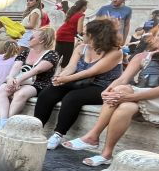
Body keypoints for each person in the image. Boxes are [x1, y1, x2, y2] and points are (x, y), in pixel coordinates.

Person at [62, 21, 159, 166]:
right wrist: (107, 91)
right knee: (125, 107)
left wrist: (127, 96)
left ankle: (93, 136)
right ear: (155, 37)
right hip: (145, 99)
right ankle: (107, 154)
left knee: (122, 90)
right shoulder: (142, 56)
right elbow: (122, 78)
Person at [34, 18, 124, 149]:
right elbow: (71, 67)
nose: (81, 34)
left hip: (103, 87)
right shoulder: (81, 47)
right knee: (49, 91)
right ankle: (35, 128)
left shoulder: (115, 52)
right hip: (79, 81)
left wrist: (66, 79)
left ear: (94, 36)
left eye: (84, 33)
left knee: (72, 97)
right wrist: (60, 77)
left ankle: (58, 135)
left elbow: (91, 72)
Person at [0, 28, 59, 132]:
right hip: (20, 81)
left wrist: (18, 80)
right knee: (2, 89)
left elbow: (37, 70)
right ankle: (3, 121)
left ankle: (8, 123)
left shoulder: (52, 54)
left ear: (41, 40)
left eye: (32, 37)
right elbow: (16, 67)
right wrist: (10, 78)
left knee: (21, 93)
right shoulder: (26, 51)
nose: (29, 39)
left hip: (39, 84)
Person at [55, 0, 87, 68]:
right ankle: (61, 75)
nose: (86, 8)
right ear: (83, 7)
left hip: (60, 33)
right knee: (66, 59)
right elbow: (79, 31)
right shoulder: (81, 15)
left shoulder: (73, 12)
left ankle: (51, 72)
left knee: (57, 56)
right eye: (86, 6)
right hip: (67, 36)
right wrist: (86, 33)